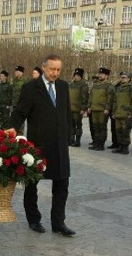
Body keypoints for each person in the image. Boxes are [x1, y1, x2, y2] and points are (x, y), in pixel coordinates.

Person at [6, 54, 75, 237]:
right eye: (52, 69)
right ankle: (34, 219)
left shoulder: (63, 86)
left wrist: (68, 136)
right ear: (44, 68)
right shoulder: (30, 88)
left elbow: (67, 113)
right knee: (32, 183)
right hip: (38, 145)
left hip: (59, 145)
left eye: (58, 70)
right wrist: (11, 128)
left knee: (62, 184)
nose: (55, 73)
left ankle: (58, 222)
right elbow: (20, 112)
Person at [88, 68, 115, 151]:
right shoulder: (95, 85)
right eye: (99, 74)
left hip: (102, 110)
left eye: (102, 74)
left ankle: (101, 144)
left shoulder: (109, 86)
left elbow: (110, 98)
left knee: (102, 127)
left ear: (107, 76)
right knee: (95, 127)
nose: (100, 75)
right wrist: (89, 106)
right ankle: (96, 143)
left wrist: (107, 108)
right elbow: (91, 96)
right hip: (94, 109)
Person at [112, 71, 132, 155]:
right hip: (118, 113)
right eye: (121, 77)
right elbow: (115, 101)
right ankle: (120, 146)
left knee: (125, 131)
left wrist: (131, 113)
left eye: (124, 78)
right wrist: (113, 112)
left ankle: (125, 147)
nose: (122, 79)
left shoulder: (131, 88)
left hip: (126, 113)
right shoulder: (119, 87)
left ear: (129, 79)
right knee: (118, 131)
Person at [68, 68, 88, 147]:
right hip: (70, 108)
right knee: (71, 125)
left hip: (78, 109)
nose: (76, 77)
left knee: (78, 125)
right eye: (75, 75)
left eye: (78, 76)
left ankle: (77, 141)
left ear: (81, 77)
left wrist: (83, 109)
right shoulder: (71, 85)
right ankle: (71, 139)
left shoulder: (83, 85)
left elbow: (85, 98)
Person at [11, 66, 26, 134]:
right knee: (14, 121)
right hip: (14, 104)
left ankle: (21, 136)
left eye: (17, 71)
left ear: (21, 73)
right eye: (15, 71)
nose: (16, 73)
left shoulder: (24, 82)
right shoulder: (14, 81)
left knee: (20, 122)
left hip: (21, 104)